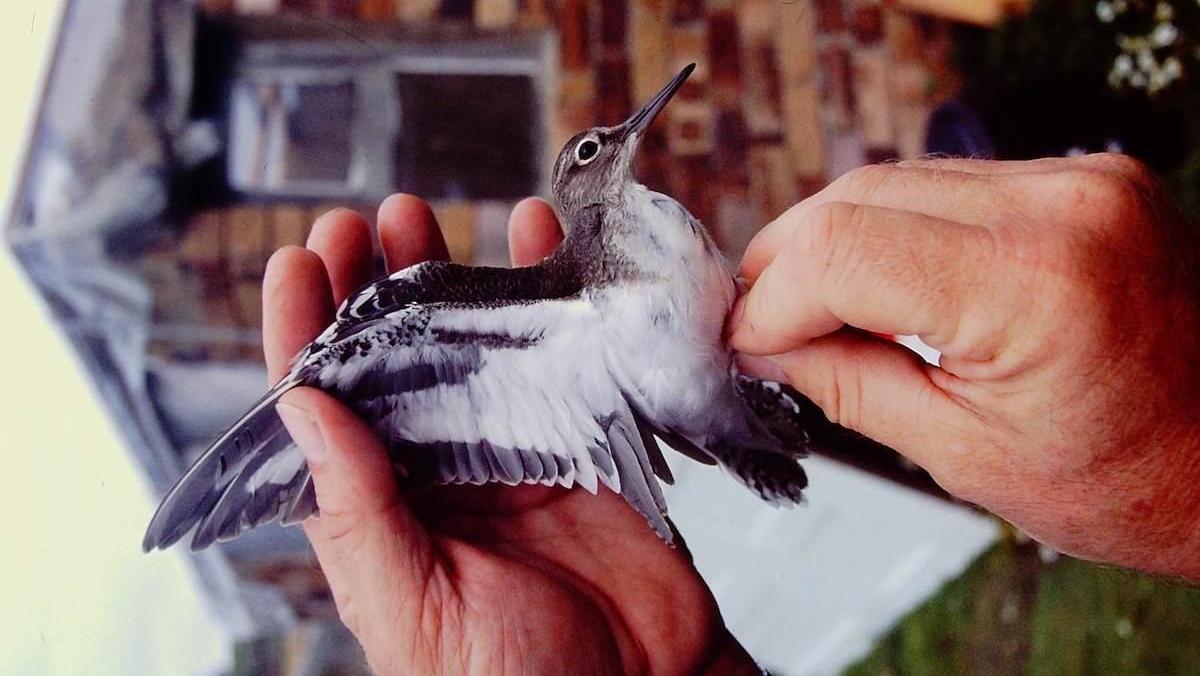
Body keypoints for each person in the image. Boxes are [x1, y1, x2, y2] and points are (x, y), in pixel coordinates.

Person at [267, 153, 1200, 675]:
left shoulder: (655, 217)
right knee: (379, 320)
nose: (629, 140)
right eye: (600, 148)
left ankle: (758, 430)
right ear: (583, 179)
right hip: (681, 403)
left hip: (730, 375)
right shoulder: (552, 303)